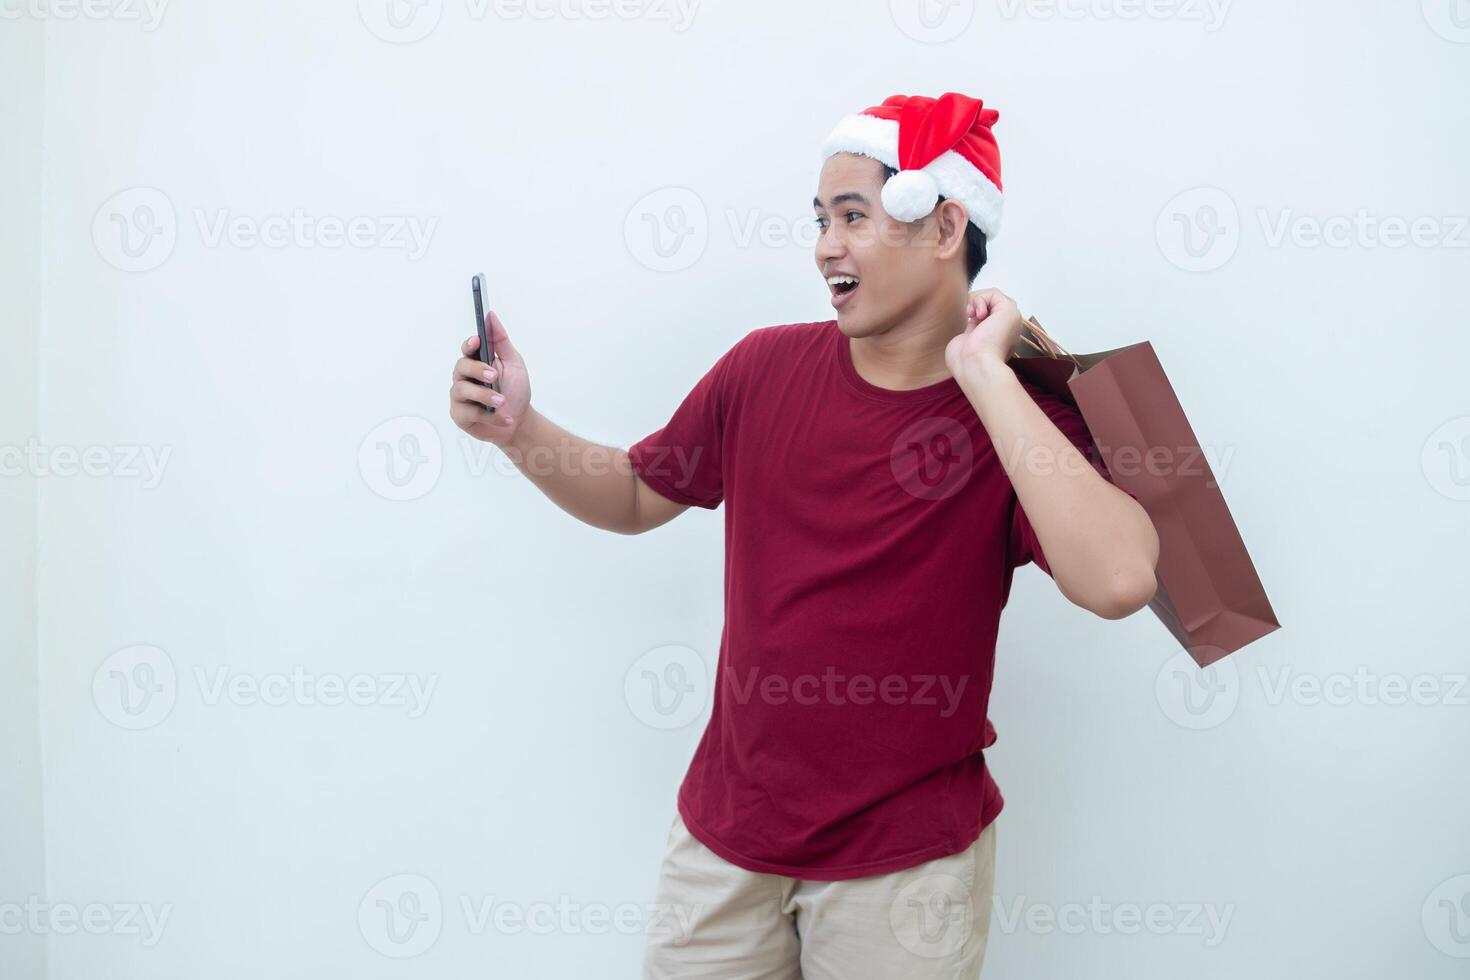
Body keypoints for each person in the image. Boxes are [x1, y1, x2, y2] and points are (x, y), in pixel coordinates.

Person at [448, 91, 1160, 980]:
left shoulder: (1020, 419)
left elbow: (1122, 579)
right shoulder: (761, 368)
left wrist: (985, 374)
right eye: (821, 219)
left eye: (854, 217)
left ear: (944, 229)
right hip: (724, 845)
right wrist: (519, 428)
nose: (825, 245)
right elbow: (635, 492)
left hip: (904, 874)